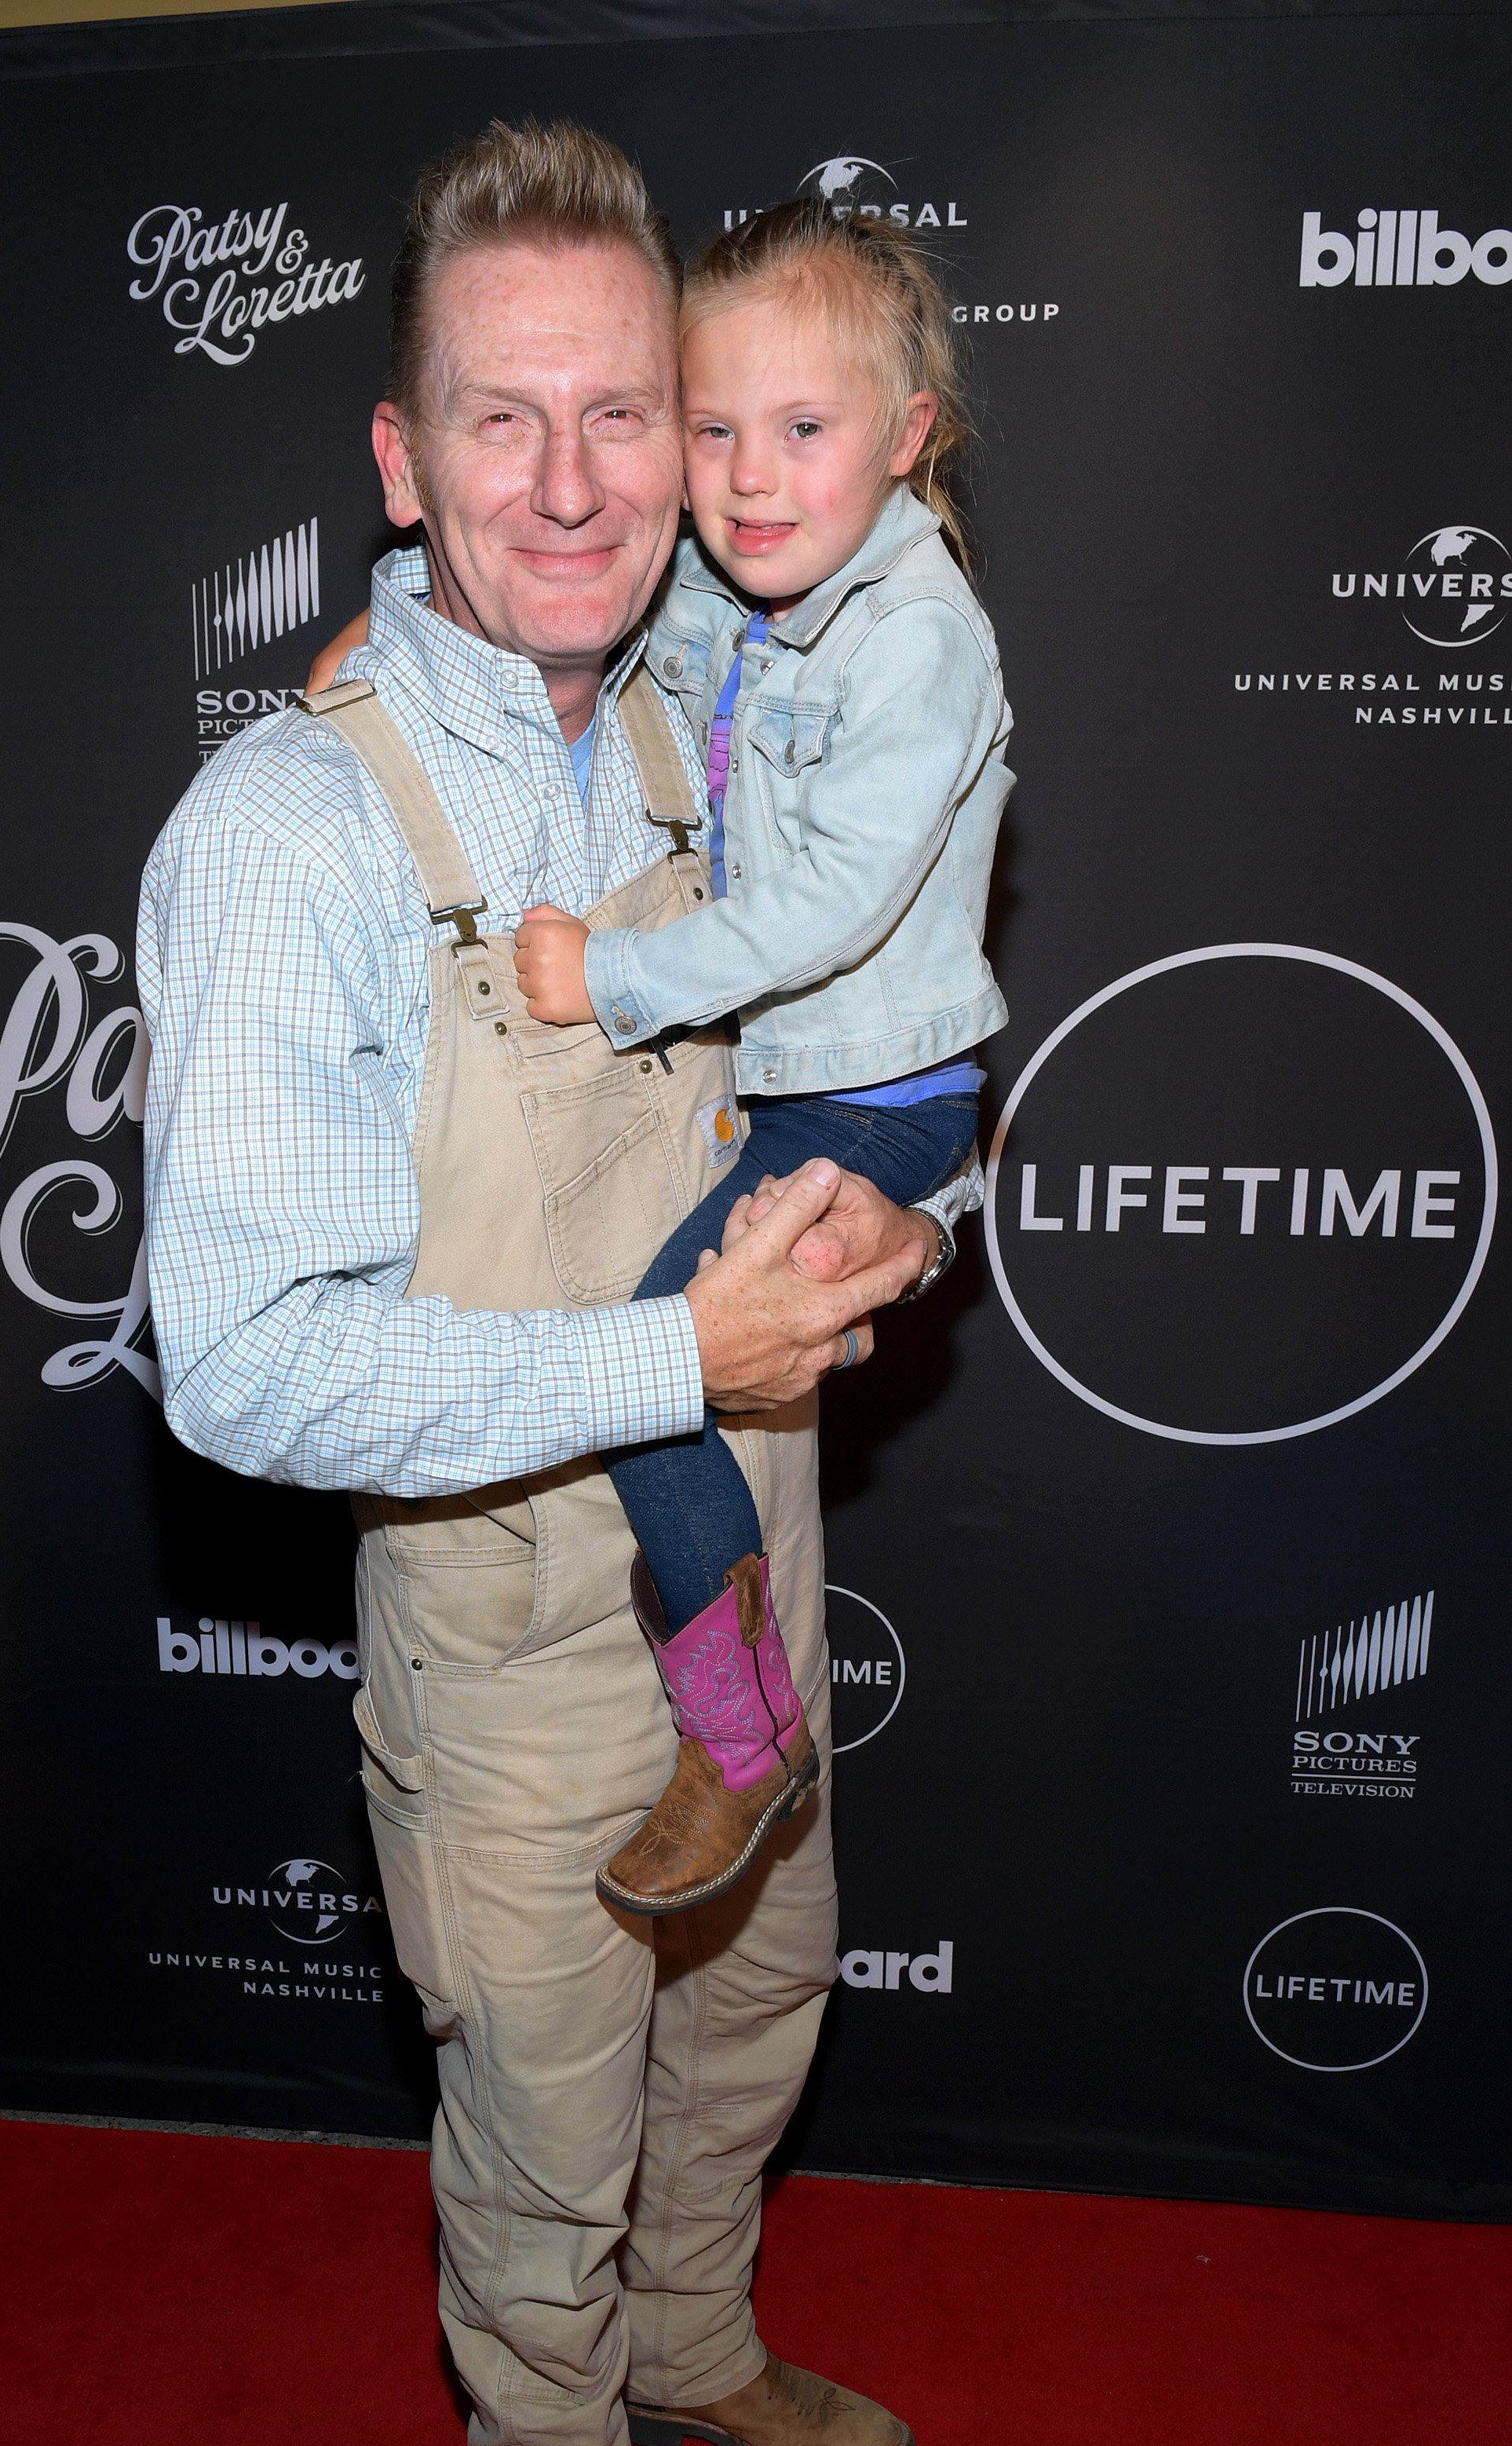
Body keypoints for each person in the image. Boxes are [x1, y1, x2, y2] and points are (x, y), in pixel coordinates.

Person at [138, 118, 965, 2446]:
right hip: (510, 1636)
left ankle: (703, 2352)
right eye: (506, 421)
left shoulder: (730, 710)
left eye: (636, 410)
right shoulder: (291, 837)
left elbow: (856, 1034)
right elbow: (244, 1361)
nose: (591, 480)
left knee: (757, 2011)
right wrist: (660, 1374)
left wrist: (874, 1234)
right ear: (399, 462)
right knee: (549, 2121)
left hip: (743, 1551)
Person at [511, 200, 1011, 1921]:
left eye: (800, 430)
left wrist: (611, 978)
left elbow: (828, 904)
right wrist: (389, 605)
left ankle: (737, 1738)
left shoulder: (916, 634)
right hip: (797, 1088)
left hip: (869, 1099)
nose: (744, 477)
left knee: (650, 1372)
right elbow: (592, 604)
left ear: (903, 435)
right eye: (711, 427)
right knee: (666, 1377)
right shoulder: (759, 589)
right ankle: (740, 1726)